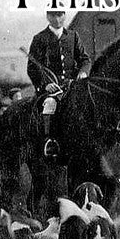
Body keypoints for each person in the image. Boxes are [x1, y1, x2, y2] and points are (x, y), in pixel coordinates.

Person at [27, 10, 92, 158]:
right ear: (48, 17)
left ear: (65, 16)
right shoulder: (39, 38)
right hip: (50, 88)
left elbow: (85, 60)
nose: (57, 19)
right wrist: (44, 86)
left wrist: (83, 73)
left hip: (71, 85)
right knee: (50, 103)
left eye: (60, 14)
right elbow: (31, 68)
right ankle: (49, 141)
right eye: (53, 15)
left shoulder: (73, 36)